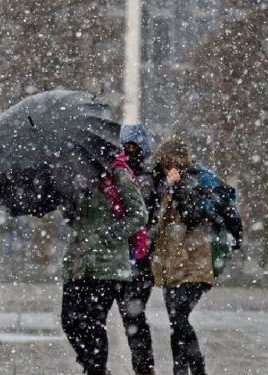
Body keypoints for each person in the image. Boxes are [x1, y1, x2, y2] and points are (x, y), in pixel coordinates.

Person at [61, 149, 148, 375]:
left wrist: (109, 235)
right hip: (77, 263)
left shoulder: (117, 173)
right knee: (69, 320)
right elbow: (74, 219)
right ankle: (92, 365)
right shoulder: (74, 175)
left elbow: (139, 214)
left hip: (107, 265)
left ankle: (95, 369)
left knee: (93, 323)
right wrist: (68, 201)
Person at [150, 138, 214, 375]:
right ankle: (180, 370)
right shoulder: (165, 184)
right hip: (171, 265)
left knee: (179, 319)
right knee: (177, 322)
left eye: (166, 160)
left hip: (192, 266)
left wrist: (177, 188)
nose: (163, 165)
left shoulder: (192, 183)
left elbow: (192, 216)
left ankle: (196, 369)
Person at [115, 123, 158, 375]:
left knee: (133, 316)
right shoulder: (117, 173)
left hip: (139, 258)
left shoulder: (149, 176)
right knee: (130, 316)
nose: (130, 151)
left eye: (135, 147)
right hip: (122, 257)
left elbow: (143, 209)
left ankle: (144, 367)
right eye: (126, 147)